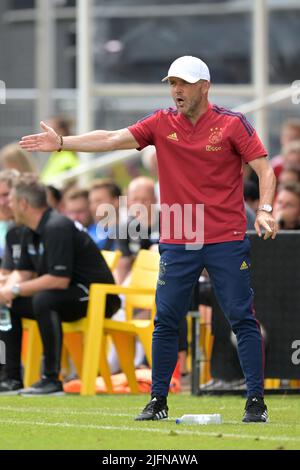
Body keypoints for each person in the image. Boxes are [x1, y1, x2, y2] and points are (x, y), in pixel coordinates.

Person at [20, 56, 277, 422]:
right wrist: (62, 142)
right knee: (166, 319)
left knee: (240, 316)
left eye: (184, 83)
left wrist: (265, 209)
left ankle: (256, 402)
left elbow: (264, 169)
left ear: (204, 86)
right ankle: (157, 400)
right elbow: (110, 139)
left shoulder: (232, 124)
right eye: (172, 83)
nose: (176, 90)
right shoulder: (160, 122)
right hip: (178, 237)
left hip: (225, 237)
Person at [0, 174, 120, 395]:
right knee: (9, 305)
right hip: (68, 295)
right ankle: (11, 377)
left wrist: (14, 289)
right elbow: (23, 272)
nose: (8, 205)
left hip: (98, 296)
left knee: (44, 300)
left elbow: (59, 279)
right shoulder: (29, 230)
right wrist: (6, 292)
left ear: (24, 204)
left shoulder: (57, 226)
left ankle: (51, 379)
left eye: (11, 200)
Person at [40, 116, 79, 184]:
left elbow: (71, 184)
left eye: (52, 130)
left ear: (62, 131)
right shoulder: (55, 156)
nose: (46, 134)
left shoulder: (67, 157)